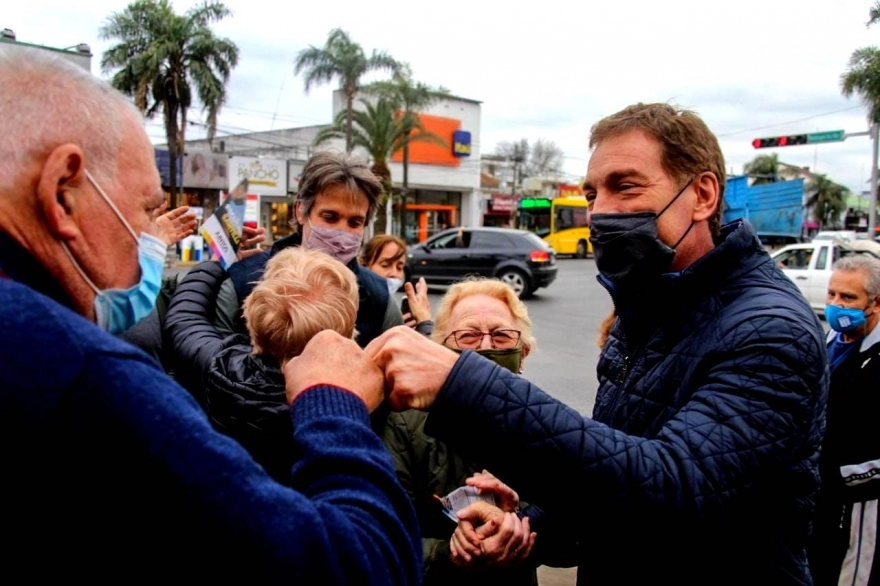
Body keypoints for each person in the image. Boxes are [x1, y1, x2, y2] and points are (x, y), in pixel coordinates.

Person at [347, 102, 827, 585]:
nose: (600, 213)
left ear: (701, 195)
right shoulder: (644, 312)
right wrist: (528, 526)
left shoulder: (770, 328)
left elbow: (673, 490)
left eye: (626, 186)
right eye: (592, 194)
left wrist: (461, 381)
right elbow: (615, 482)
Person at [0, 46, 420, 583]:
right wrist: (334, 405)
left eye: (354, 221)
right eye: (145, 210)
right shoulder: (80, 374)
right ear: (63, 194)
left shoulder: (379, 297)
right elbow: (359, 565)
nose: (150, 240)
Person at [382, 278, 548, 586]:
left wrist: (520, 526)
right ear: (441, 349)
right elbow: (382, 535)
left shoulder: (546, 422)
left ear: (523, 353)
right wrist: (450, 552)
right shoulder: (405, 422)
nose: (486, 346)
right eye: (468, 336)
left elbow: (576, 537)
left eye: (501, 336)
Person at [164, 247, 360, 480]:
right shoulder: (356, 397)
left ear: (254, 315)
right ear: (345, 332)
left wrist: (216, 263)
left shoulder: (223, 367)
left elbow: (184, 319)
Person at [215, 151, 403, 345]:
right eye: (330, 218)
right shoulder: (243, 282)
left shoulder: (378, 299)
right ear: (301, 212)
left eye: (355, 222)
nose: (341, 232)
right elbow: (215, 362)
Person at [808, 255, 880, 586]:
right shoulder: (829, 341)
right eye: (833, 295)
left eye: (848, 298)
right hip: (822, 493)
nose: (837, 305)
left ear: (875, 303)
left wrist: (846, 478)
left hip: (862, 498)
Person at [360, 233, 433, 333]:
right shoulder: (354, 306)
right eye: (385, 265)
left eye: (399, 267)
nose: (394, 273)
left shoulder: (391, 310)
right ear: (364, 266)